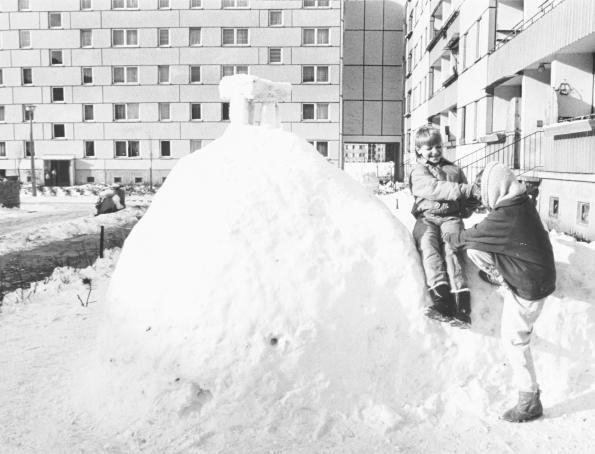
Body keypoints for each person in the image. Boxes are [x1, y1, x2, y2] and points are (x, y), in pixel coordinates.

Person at [442, 161, 556, 422]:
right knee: (477, 251)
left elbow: (472, 236)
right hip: (537, 271)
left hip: (529, 285)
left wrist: (448, 238)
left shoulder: (507, 215)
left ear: (496, 187)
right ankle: (500, 277)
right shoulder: (519, 202)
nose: (483, 195)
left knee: (514, 340)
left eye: (484, 189)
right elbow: (487, 233)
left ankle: (529, 401)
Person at [409, 125, 481, 325]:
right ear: (419, 150)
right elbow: (434, 189)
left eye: (438, 146)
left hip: (450, 218)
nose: (435, 151)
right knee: (428, 246)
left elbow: (468, 198)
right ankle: (442, 300)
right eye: (429, 148)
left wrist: (472, 201)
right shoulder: (419, 171)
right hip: (427, 218)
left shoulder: (454, 170)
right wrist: (466, 190)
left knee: (452, 249)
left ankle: (462, 306)